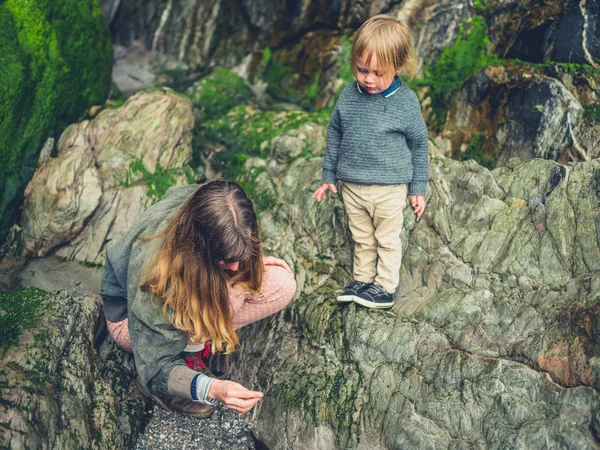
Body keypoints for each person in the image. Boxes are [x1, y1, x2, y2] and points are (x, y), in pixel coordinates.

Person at [100, 181, 297, 417]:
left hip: (194, 276)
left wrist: (248, 257)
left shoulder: (212, 202)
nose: (235, 267)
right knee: (219, 303)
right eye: (226, 259)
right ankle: (184, 367)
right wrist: (212, 388)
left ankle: (201, 338)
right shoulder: (155, 274)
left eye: (240, 254)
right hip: (130, 320)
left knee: (282, 283)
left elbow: (234, 248)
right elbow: (155, 367)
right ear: (198, 246)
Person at [312, 14, 429, 310]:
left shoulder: (406, 102)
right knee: (362, 237)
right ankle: (362, 280)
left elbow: (419, 144)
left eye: (378, 73)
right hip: (352, 185)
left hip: (390, 189)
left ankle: (385, 287)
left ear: (399, 67)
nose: (368, 79)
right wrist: (329, 175)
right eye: (362, 70)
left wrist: (418, 187)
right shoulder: (349, 96)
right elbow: (335, 131)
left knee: (387, 240)